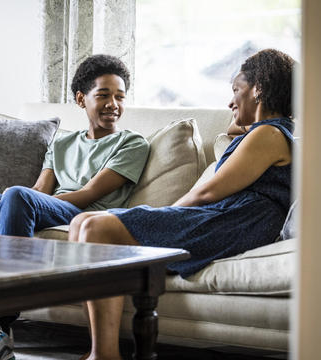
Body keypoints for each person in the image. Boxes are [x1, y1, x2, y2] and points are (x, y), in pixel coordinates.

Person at [0, 54, 150, 360]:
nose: (113, 104)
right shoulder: (63, 143)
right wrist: (7, 202)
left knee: (17, 195)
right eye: (103, 95)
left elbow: (88, 193)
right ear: (81, 99)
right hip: (48, 206)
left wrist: (16, 198)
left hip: (86, 215)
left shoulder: (131, 143)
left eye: (119, 96)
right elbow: (40, 189)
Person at [68, 48, 297, 360]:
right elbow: (237, 132)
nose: (230, 102)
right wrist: (244, 121)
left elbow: (206, 193)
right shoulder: (267, 131)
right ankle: (99, 349)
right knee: (80, 223)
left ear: (258, 89)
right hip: (234, 216)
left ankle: (104, 354)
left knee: (95, 226)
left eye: (235, 90)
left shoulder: (268, 134)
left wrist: (165, 213)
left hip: (238, 220)